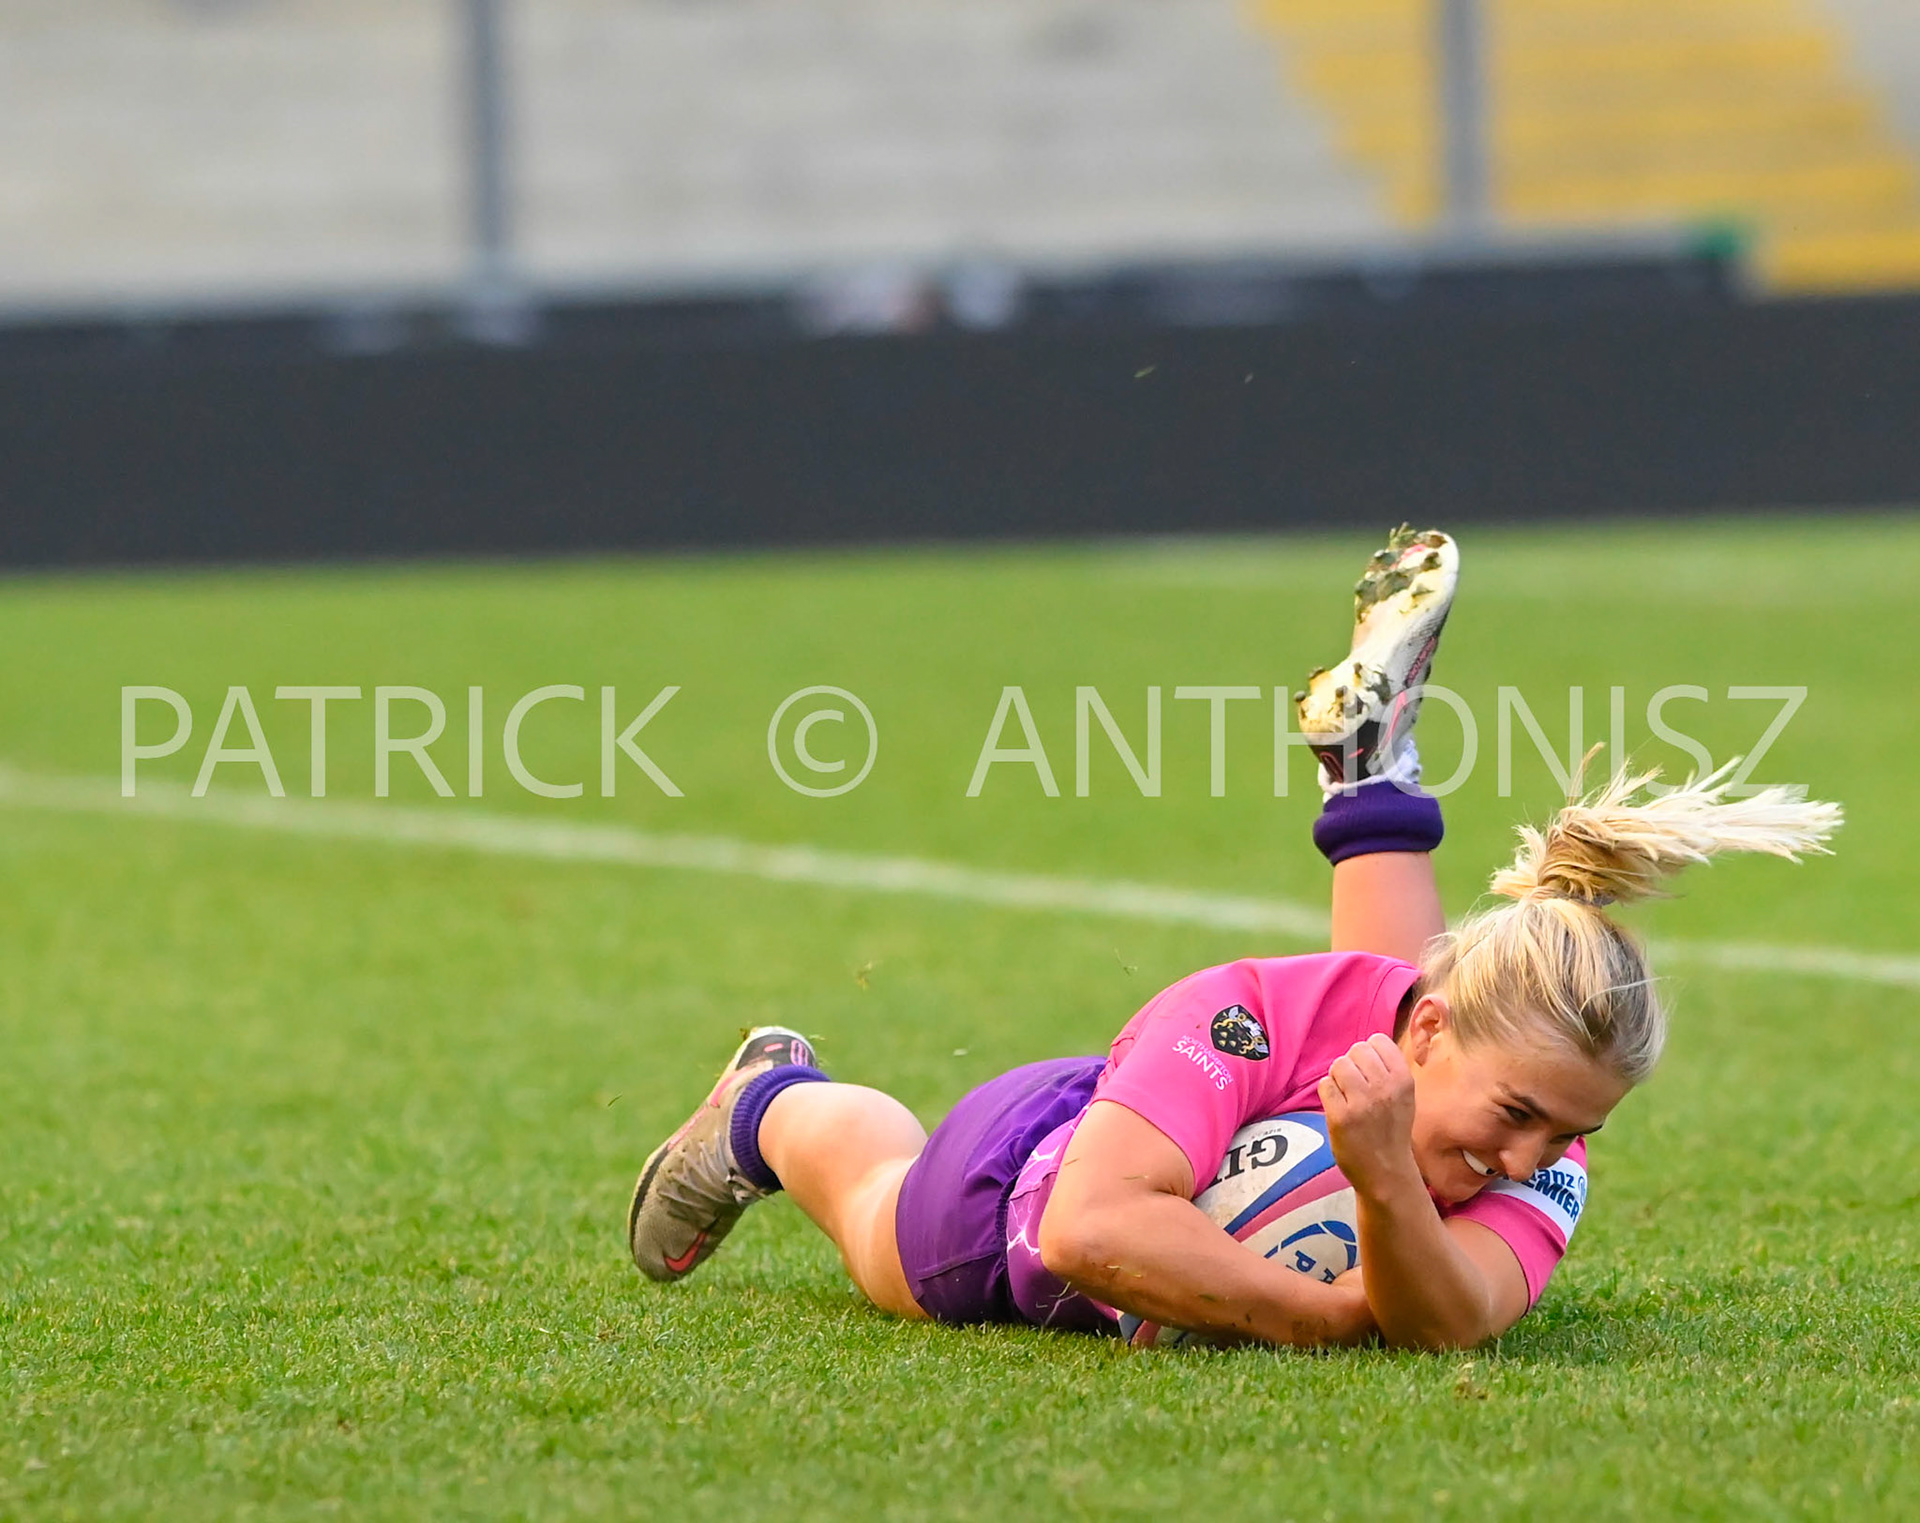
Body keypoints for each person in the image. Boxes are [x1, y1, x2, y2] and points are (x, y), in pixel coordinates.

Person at [624, 527, 1841, 1350]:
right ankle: (766, 1102)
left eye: (1573, 1130)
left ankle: (1374, 779)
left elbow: (1452, 1316)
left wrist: (1381, 1180)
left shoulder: (1522, 1135)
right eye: (1523, 1113)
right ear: (1427, 1029)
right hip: (1008, 1206)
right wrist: (1311, 1315)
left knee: (1389, 1030)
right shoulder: (1247, 1004)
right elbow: (1085, 1232)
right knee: (874, 1196)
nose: (1537, 1159)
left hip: (1206, 1104)